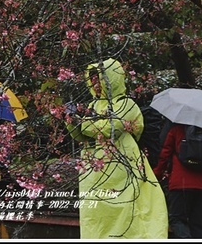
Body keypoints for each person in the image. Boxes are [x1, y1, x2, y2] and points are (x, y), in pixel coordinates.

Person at [65, 58, 168, 239]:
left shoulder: (126, 104)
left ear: (111, 79)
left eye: (101, 79)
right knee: (97, 215)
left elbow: (111, 128)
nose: (96, 84)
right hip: (94, 170)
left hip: (122, 167)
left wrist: (84, 123)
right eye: (93, 80)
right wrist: (71, 121)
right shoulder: (92, 106)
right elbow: (81, 135)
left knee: (127, 211)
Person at [153, 122, 202, 238]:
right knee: (198, 225)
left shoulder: (177, 129)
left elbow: (164, 155)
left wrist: (157, 175)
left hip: (181, 183)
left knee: (177, 220)